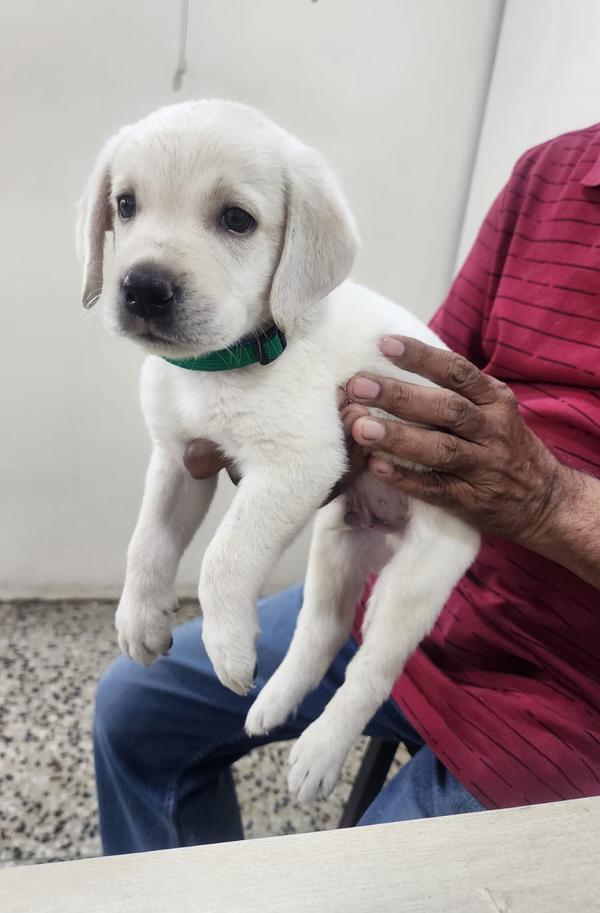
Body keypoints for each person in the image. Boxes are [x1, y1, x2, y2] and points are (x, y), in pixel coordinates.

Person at [94, 122, 600, 854]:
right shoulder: (553, 172)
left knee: (343, 885)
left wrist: (550, 503)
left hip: (566, 694)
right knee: (130, 707)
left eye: (232, 217)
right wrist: (334, 433)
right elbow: (426, 366)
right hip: (417, 557)